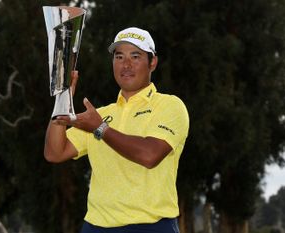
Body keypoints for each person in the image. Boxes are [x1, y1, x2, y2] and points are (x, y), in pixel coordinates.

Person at [44, 27, 189, 233]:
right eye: (119, 56)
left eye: (135, 56)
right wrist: (62, 98)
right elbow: (55, 152)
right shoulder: (100, 114)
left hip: (151, 227)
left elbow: (150, 155)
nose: (126, 64)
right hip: (96, 226)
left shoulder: (170, 106)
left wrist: (101, 128)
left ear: (153, 62)